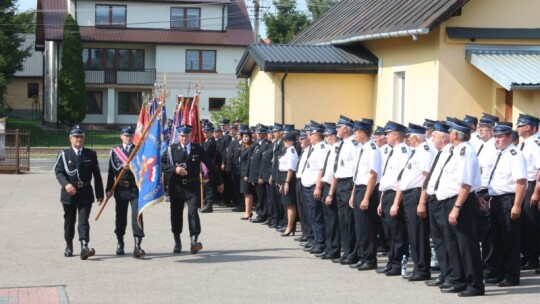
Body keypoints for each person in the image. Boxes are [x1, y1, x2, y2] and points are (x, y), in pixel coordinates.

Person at [436, 118, 484, 297]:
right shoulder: (456, 151)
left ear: (456, 134)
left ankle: (475, 285)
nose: (449, 134)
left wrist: (456, 207)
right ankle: (459, 280)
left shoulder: (465, 151)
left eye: (450, 131)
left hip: (461, 202)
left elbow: (465, 184)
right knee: (454, 244)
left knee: (467, 245)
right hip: (451, 200)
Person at [162, 125, 223, 254]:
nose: (184, 138)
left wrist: (219, 182)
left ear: (191, 136)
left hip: (193, 186)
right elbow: (161, 164)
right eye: (182, 136)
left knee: (193, 212)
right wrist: (175, 169)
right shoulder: (171, 149)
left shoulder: (197, 148)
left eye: (187, 136)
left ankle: (194, 241)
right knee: (176, 215)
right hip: (177, 186)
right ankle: (177, 240)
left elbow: (210, 165)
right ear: (179, 136)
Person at [486, 122, 527, 287]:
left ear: (510, 137)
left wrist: (516, 205)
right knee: (497, 240)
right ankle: (499, 273)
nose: (497, 140)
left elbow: (521, 182)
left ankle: (511, 276)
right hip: (496, 199)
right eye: (495, 136)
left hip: (508, 200)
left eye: (500, 136)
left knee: (510, 239)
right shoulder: (500, 154)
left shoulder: (514, 154)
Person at [54, 125, 104, 260]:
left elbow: (97, 175)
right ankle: (69, 244)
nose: (79, 139)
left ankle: (84, 246)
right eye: (76, 137)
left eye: (81, 137)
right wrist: (66, 184)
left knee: (83, 220)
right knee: (69, 221)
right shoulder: (64, 154)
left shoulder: (90, 154)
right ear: (70, 138)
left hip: (86, 191)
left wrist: (100, 193)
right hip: (69, 193)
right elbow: (58, 172)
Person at [393, 123, 434, 280]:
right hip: (410, 196)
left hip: (417, 195)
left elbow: (426, 178)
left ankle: (422, 269)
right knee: (413, 233)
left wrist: (422, 201)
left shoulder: (424, 152)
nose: (407, 139)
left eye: (409, 137)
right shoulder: (417, 152)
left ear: (415, 137)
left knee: (419, 234)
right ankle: (418, 266)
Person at [376, 121, 411, 276]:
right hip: (387, 194)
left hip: (396, 195)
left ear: (396, 135)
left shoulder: (403, 151)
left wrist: (396, 203)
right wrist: (382, 200)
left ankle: (397, 264)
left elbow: (401, 180)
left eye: (388, 134)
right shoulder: (393, 151)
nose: (385, 137)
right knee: (389, 232)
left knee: (398, 233)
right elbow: (387, 178)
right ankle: (391, 262)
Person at [105, 126, 145, 258]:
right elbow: (112, 171)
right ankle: (120, 242)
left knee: (137, 216)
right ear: (121, 136)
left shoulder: (138, 150)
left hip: (135, 188)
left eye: (130, 136)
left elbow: (143, 168)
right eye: (126, 136)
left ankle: (137, 245)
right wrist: (109, 189)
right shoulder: (115, 151)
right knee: (120, 217)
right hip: (121, 188)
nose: (128, 138)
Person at [349, 121, 382, 270]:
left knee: (367, 227)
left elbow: (373, 175)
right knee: (360, 227)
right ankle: (363, 256)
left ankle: (370, 259)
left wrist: (366, 197)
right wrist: (352, 194)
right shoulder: (362, 149)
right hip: (359, 189)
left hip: (367, 190)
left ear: (362, 132)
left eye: (355, 132)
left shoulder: (372, 149)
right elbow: (358, 175)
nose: (354, 135)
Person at [331, 115, 359, 265]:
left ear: (346, 129)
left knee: (349, 220)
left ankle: (352, 253)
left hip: (349, 183)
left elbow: (356, 169)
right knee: (342, 219)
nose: (336, 129)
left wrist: (353, 190)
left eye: (338, 127)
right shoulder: (343, 144)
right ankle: (346, 251)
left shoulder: (353, 144)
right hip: (341, 183)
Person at [515, 114, 540, 272]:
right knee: (525, 223)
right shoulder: (525, 143)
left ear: (529, 128)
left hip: (532, 186)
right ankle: (528, 255)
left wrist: (536, 192)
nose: (517, 127)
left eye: (520, 125)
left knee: (533, 224)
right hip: (524, 186)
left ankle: (533, 257)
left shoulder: (535, 144)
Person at [301, 123, 328, 254]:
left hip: (313, 187)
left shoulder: (322, 148)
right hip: (308, 186)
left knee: (317, 215)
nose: (308, 136)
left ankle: (320, 242)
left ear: (317, 135)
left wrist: (318, 187)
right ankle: (315, 239)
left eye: (310, 134)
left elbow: (321, 169)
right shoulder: (314, 148)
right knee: (312, 215)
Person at [277, 132, 299, 236]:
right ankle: (289, 225)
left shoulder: (291, 151)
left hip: (289, 178)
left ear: (292, 141)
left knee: (290, 204)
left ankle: (290, 227)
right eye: (284, 140)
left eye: (286, 140)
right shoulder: (287, 150)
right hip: (284, 177)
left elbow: (290, 169)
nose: (284, 142)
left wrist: (286, 182)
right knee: (286, 203)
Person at [200, 124, 219, 213]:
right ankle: (206, 202)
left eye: (207, 132)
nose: (205, 133)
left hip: (209, 167)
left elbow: (205, 153)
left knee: (210, 186)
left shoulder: (211, 142)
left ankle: (209, 205)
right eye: (204, 132)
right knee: (206, 186)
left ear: (211, 133)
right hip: (205, 166)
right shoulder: (206, 141)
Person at [239, 125, 255, 220]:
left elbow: (249, 162)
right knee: (245, 193)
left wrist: (246, 174)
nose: (244, 138)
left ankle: (248, 212)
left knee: (248, 193)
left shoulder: (250, 148)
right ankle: (248, 211)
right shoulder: (244, 147)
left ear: (250, 138)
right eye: (243, 136)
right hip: (242, 172)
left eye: (246, 137)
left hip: (246, 173)